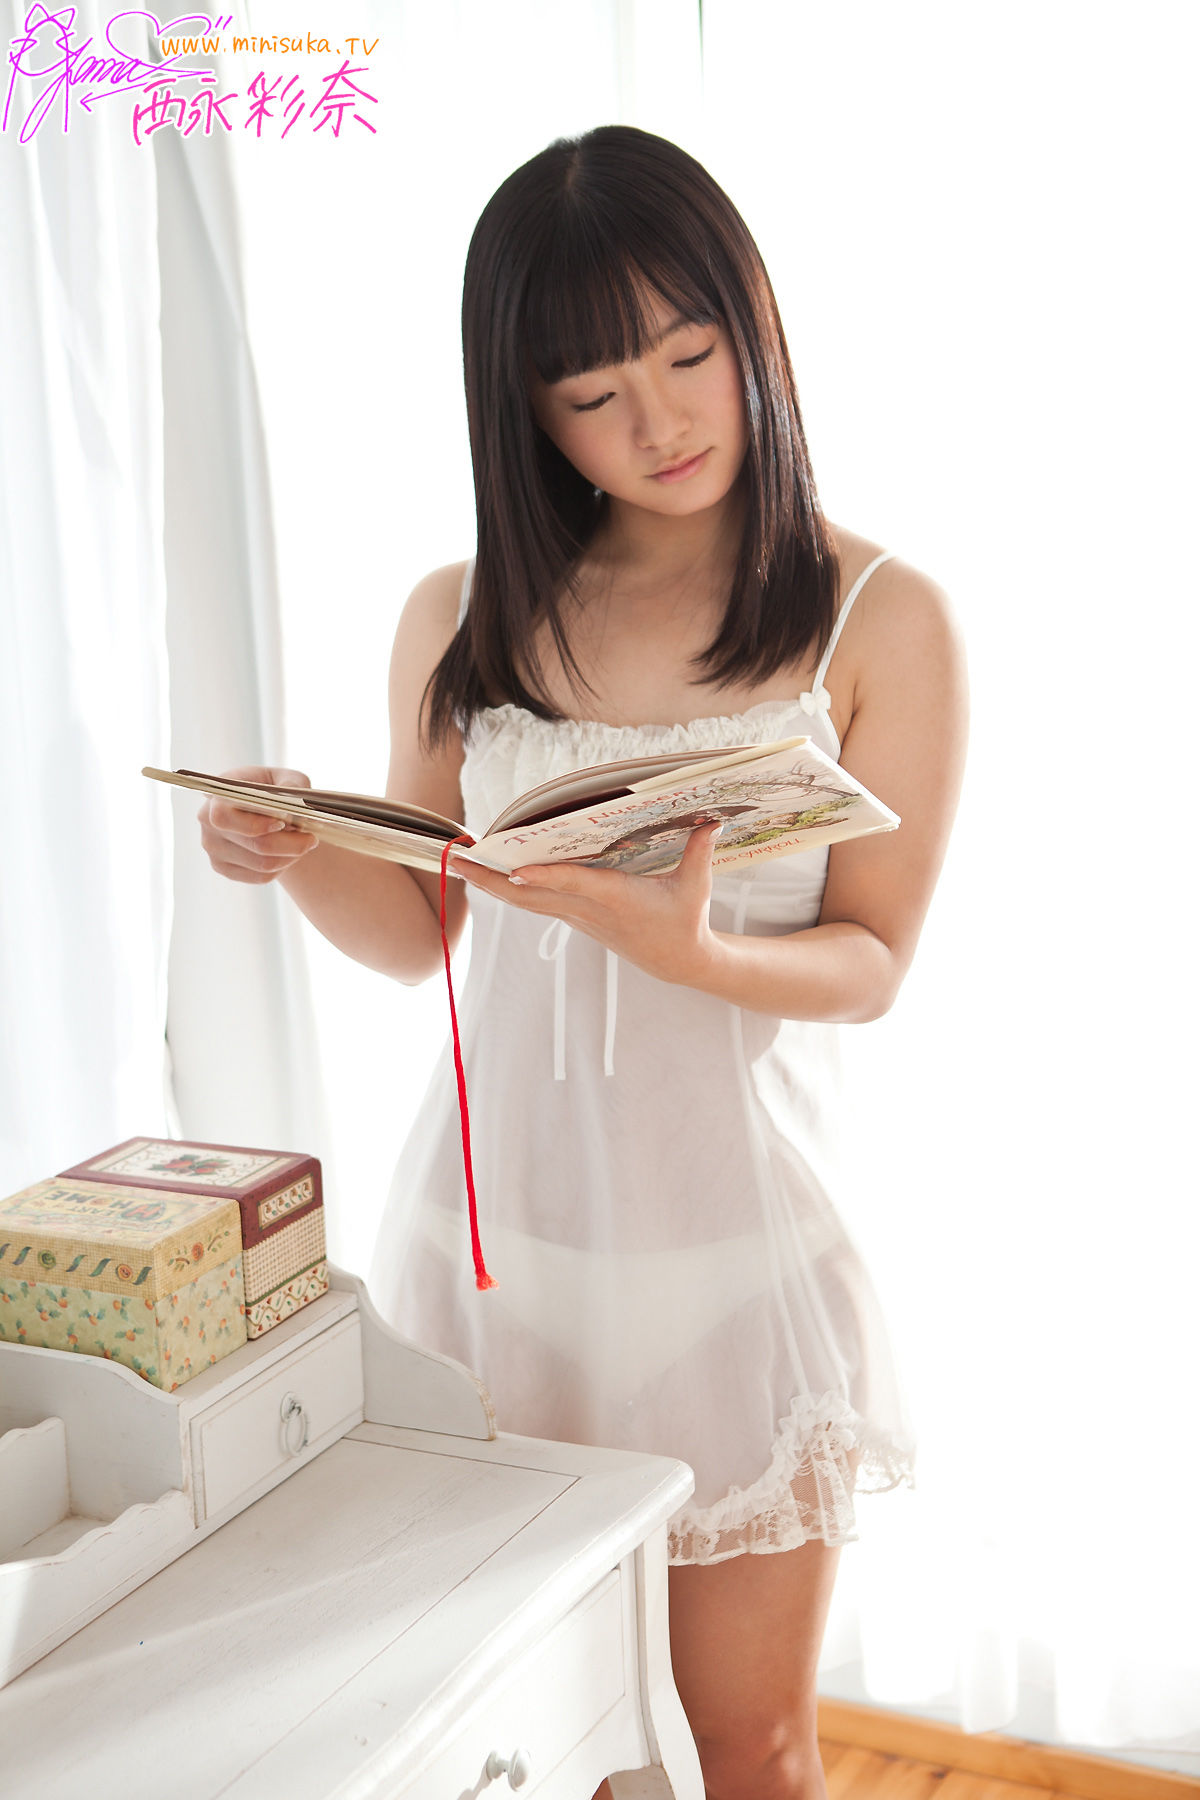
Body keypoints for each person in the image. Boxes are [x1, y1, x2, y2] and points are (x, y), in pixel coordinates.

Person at [197, 126, 968, 1800]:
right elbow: (417, 939)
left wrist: (691, 950)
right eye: (595, 393)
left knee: (748, 1743)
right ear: (525, 412)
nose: (662, 422)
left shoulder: (877, 618)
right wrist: (293, 851)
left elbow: (873, 962)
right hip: (497, 1264)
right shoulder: (463, 617)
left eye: (690, 356)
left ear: (754, 326)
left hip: (740, 1261)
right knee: (553, 1747)